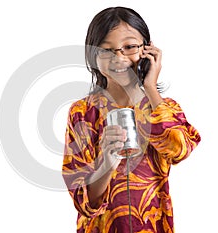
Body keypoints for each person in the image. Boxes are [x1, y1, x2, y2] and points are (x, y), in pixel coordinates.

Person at [62, 6, 201, 233]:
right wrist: (106, 165)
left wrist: (149, 89)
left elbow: (180, 149)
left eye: (129, 47)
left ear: (147, 49)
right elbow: (82, 200)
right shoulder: (82, 113)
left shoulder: (163, 107)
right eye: (106, 50)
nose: (119, 57)